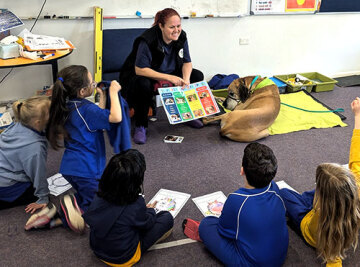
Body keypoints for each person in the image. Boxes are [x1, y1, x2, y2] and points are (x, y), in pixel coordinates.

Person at [183, 142, 289, 266]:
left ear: (242, 170)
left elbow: (222, 230)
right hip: (280, 256)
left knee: (206, 225)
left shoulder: (237, 199)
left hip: (252, 263)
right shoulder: (275, 187)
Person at [46, 65, 122, 230]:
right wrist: (113, 93)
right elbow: (115, 117)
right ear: (82, 91)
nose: (94, 83)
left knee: (85, 192)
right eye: (91, 81)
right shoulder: (86, 109)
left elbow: (96, 120)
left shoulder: (68, 105)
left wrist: (101, 99)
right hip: (88, 169)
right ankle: (63, 219)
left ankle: (70, 205)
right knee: (97, 207)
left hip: (72, 167)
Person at [120, 8, 204, 144]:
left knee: (196, 75)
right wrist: (169, 78)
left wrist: (186, 80)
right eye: (172, 27)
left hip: (170, 72)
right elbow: (140, 70)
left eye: (178, 26)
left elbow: (187, 62)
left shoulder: (181, 36)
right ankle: (141, 125)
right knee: (142, 84)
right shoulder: (147, 40)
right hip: (144, 74)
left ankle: (188, 115)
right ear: (161, 26)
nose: (176, 30)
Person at [83, 149, 173, 266]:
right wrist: (150, 211)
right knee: (167, 218)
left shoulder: (99, 194)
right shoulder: (136, 204)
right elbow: (147, 223)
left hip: (97, 249)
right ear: (135, 182)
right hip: (124, 258)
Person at [0, 96, 51, 212]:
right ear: (38, 122)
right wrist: (43, 198)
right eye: (50, 113)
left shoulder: (17, 124)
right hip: (5, 185)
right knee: (35, 192)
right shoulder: (35, 147)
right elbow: (38, 173)